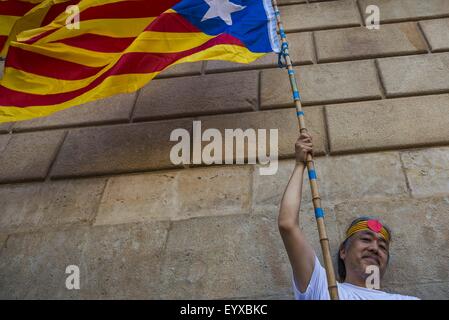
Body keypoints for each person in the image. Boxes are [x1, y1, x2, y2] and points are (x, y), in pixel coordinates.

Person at [278, 132, 419, 300]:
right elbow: (287, 224)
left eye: (382, 246)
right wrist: (300, 164)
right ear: (343, 251)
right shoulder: (323, 287)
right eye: (366, 239)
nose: (375, 248)